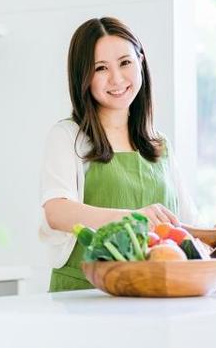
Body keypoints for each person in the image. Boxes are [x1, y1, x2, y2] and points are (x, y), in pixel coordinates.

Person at [39, 17, 198, 292]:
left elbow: (187, 224)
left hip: (151, 296)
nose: (117, 78)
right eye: (101, 68)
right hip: (84, 296)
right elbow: (56, 212)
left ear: (141, 62)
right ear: (83, 77)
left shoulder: (160, 145)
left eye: (125, 63)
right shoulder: (67, 136)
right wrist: (133, 218)